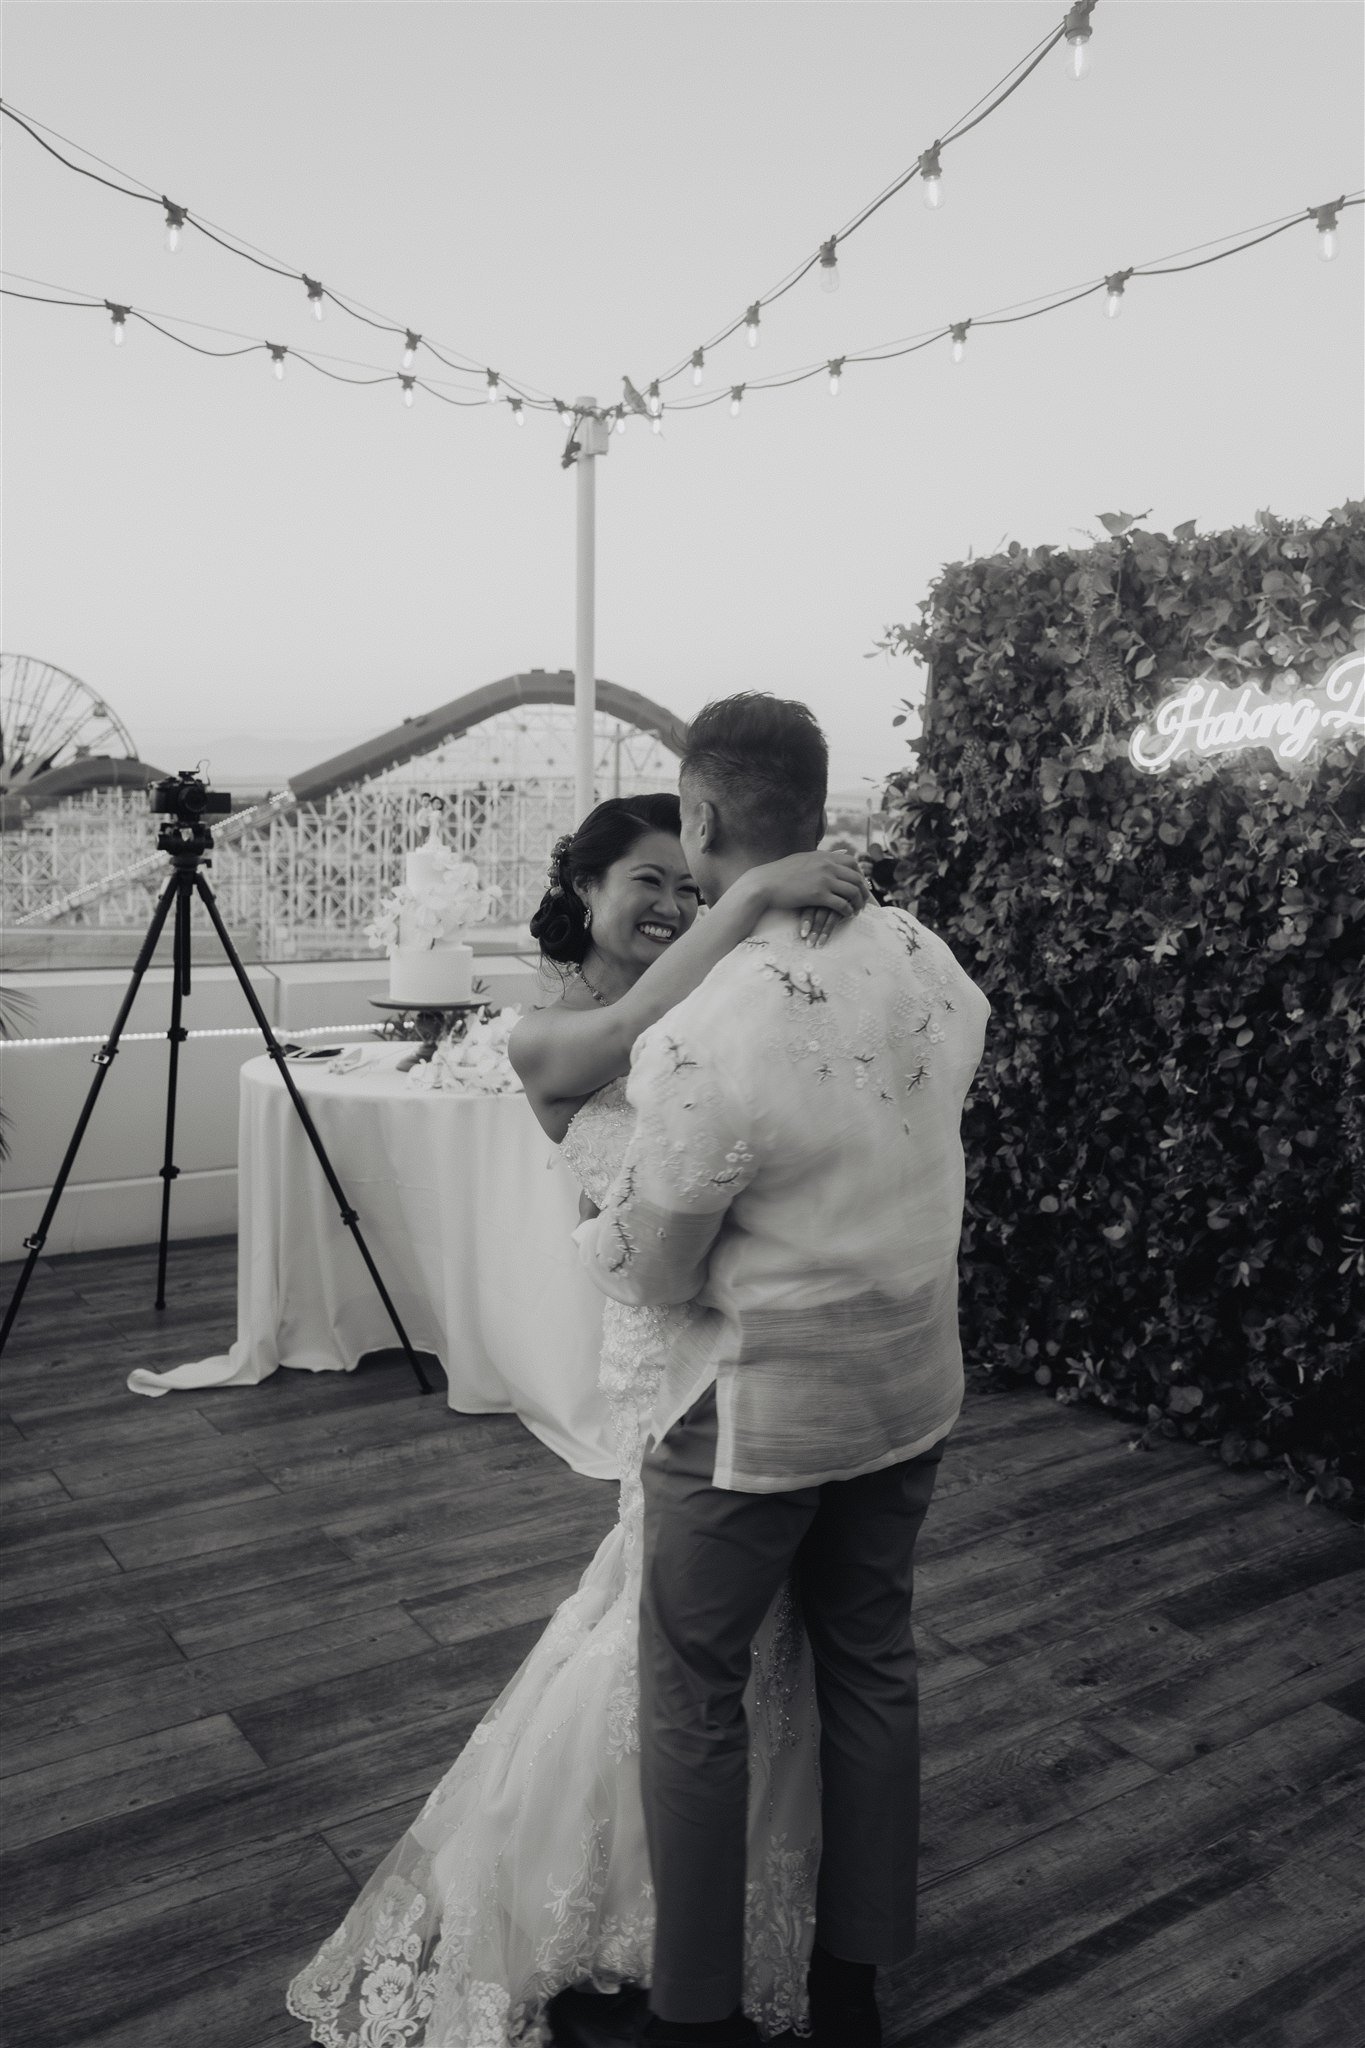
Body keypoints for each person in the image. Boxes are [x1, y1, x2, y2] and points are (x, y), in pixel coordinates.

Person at [285, 789, 869, 2048]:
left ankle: (735, 1889)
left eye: (685, 882)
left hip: (766, 1354)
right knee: (668, 1647)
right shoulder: (545, 1030)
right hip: (672, 1361)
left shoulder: (713, 998)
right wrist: (752, 898)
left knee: (749, 1639)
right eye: (643, 881)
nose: (671, 904)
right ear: (585, 889)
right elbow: (622, 1038)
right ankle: (624, 1901)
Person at [575, 697, 991, 2048]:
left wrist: (592, 1217)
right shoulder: (930, 958)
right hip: (909, 1380)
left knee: (693, 1693)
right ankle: (850, 1985)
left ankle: (694, 2018)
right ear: (816, 806)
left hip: (754, 1413)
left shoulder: (708, 1022)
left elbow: (655, 1266)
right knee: (872, 1663)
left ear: (700, 817)